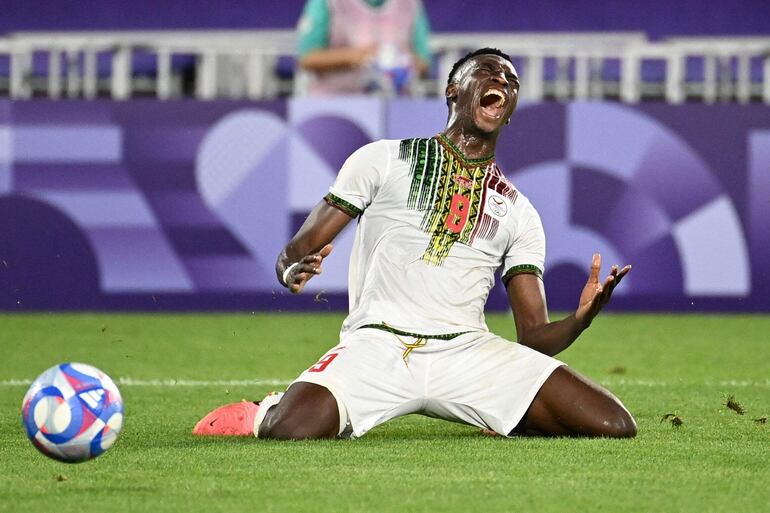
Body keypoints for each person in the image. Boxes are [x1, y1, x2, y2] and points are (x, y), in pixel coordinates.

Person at [193, 48, 636, 440]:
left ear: (511, 109)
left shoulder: (520, 212)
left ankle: (500, 410)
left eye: (511, 81)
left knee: (613, 424)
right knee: (291, 429)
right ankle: (265, 408)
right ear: (453, 90)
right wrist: (291, 267)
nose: (501, 81)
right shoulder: (384, 159)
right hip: (378, 344)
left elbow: (533, 337)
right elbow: (297, 249)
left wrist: (580, 320)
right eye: (488, 72)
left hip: (467, 353)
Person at [295, 0, 431, 95]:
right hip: (335, 107)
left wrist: (401, 65)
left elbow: (423, 63)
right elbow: (307, 58)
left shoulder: (411, 3)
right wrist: (354, 57)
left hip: (396, 106)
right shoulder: (328, 2)